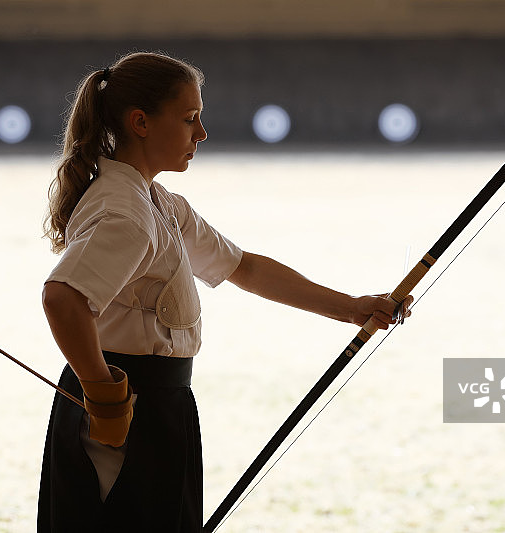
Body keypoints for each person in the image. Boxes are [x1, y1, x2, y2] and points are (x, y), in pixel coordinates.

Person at [37, 51, 412, 533]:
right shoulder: (124, 213)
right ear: (141, 123)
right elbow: (62, 299)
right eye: (189, 118)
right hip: (125, 409)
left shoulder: (159, 204)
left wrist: (352, 309)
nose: (201, 133)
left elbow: (246, 268)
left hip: (151, 404)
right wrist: (104, 397)